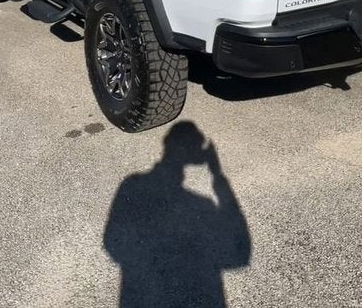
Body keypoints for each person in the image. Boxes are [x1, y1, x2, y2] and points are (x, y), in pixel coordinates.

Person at [103, 122, 251, 308]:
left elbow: (112, 244)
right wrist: (217, 174)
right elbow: (239, 255)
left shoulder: (132, 185)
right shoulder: (202, 205)